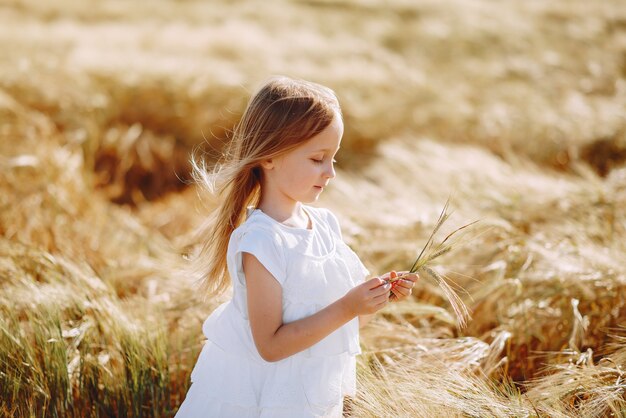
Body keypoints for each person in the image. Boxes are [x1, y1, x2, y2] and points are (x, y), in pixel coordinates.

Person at [175, 75, 418, 418]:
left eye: (333, 157)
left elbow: (339, 329)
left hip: (307, 399)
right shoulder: (261, 241)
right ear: (270, 157)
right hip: (257, 402)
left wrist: (377, 298)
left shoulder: (326, 226)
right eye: (318, 158)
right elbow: (271, 347)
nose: (330, 172)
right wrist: (350, 306)